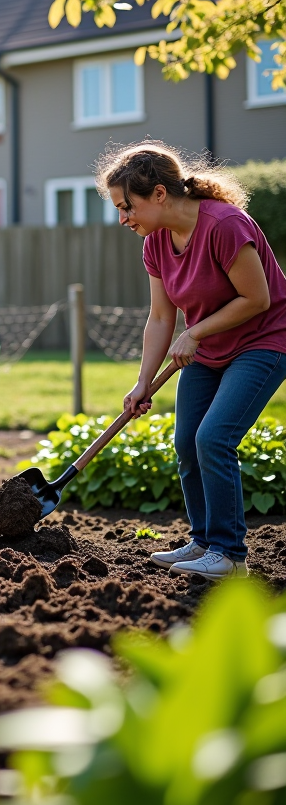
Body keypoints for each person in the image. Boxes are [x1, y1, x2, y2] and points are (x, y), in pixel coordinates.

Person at [100, 141, 286, 580]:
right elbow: (162, 317)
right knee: (186, 442)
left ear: (159, 195)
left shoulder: (224, 225)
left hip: (264, 341)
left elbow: (257, 299)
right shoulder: (156, 244)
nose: (123, 218)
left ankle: (229, 555)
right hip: (207, 350)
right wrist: (142, 381)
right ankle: (204, 542)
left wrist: (196, 331)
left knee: (214, 438)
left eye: (128, 206)